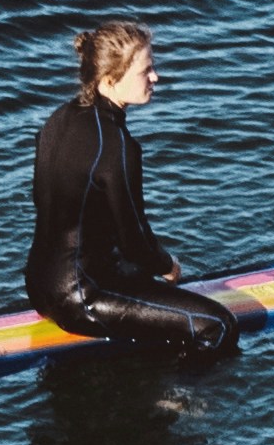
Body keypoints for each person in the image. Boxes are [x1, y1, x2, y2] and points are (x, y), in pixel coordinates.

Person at [26, 18, 248, 360]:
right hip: (81, 298)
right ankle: (170, 400)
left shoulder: (57, 120)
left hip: (39, 288)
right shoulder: (118, 147)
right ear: (111, 80)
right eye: (146, 70)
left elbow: (43, 202)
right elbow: (135, 241)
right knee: (217, 326)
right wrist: (167, 265)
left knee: (140, 280)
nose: (156, 77)